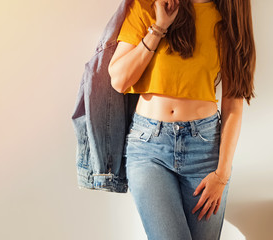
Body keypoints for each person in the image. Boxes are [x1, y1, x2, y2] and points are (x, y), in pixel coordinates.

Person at [108, 0, 256, 239]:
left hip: (205, 151)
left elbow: (233, 104)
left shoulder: (229, 18)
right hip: (149, 148)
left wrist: (222, 174)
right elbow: (119, 80)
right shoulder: (151, 5)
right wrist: (159, 28)